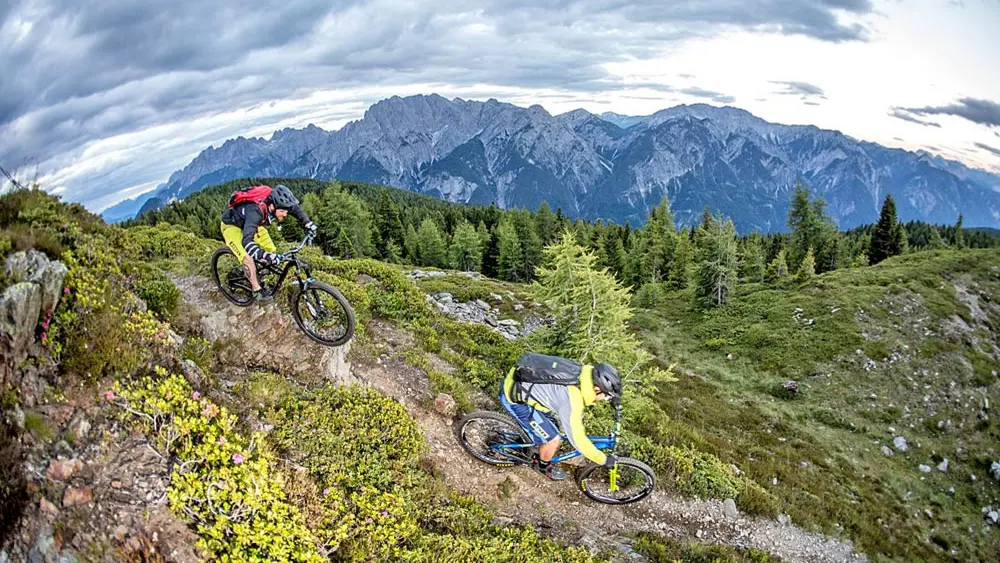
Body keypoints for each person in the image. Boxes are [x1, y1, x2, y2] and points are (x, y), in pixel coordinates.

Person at [498, 353, 621, 481]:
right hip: (514, 397)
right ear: (596, 389)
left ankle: (525, 441)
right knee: (553, 439)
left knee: (553, 425)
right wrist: (602, 459)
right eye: (606, 396)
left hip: (522, 385)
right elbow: (578, 440)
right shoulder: (573, 400)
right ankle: (542, 466)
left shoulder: (582, 373)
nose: (605, 399)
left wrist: (614, 399)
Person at [220, 183, 317, 303]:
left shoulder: (277, 203)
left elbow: (294, 208)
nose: (285, 214)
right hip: (232, 226)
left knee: (271, 249)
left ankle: (257, 271)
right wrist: (264, 255)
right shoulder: (256, 211)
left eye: (286, 211)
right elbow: (247, 241)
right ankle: (256, 290)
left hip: (251, 225)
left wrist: (307, 223)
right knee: (247, 257)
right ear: (272, 206)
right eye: (282, 211)